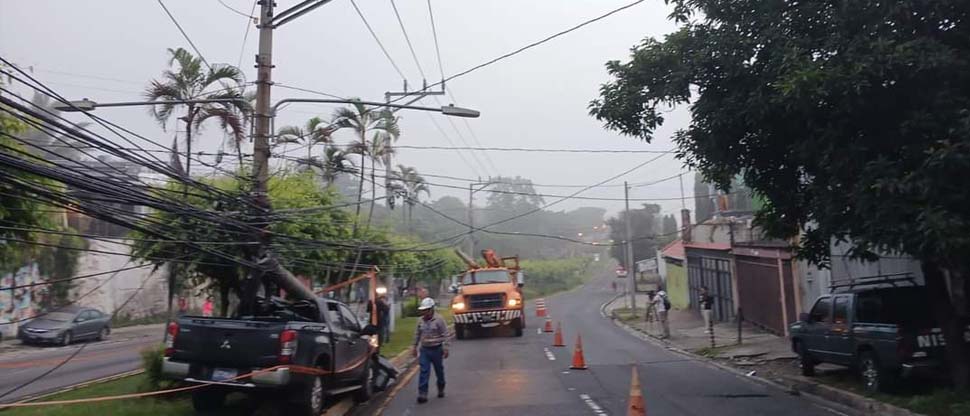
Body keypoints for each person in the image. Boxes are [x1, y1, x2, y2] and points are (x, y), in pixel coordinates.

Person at [411, 297, 449, 403]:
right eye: (423, 310)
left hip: (437, 349)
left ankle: (441, 387)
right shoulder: (420, 321)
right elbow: (417, 334)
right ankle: (422, 393)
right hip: (425, 350)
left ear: (432, 309)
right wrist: (414, 347)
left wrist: (446, 348)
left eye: (426, 310)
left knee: (439, 371)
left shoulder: (439, 320)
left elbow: (445, 334)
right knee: (424, 371)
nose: (424, 313)